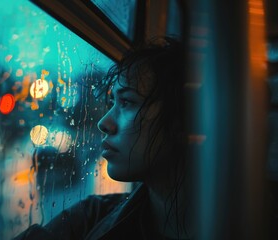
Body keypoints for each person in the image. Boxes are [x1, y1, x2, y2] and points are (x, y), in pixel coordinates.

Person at [12, 36, 192, 240]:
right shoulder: (92, 215)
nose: (104, 123)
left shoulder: (98, 219)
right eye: (112, 102)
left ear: (182, 119)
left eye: (127, 102)